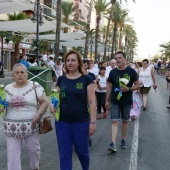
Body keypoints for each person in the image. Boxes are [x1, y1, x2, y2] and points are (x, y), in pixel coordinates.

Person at [50, 50, 96, 170]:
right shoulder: (61, 80)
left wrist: (93, 122)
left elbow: (92, 102)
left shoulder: (87, 79)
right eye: (68, 60)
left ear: (79, 62)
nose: (70, 63)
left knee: (82, 152)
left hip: (81, 122)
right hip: (62, 122)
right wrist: (52, 104)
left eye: (73, 60)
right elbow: (56, 98)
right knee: (64, 154)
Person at [0, 63, 49, 170]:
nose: (20, 75)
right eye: (17, 72)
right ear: (13, 75)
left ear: (27, 74)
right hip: (11, 127)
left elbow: (45, 102)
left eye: (22, 72)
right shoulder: (6, 88)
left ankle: (34, 167)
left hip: (31, 126)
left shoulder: (35, 86)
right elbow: (2, 104)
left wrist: (39, 113)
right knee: (12, 154)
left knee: (34, 150)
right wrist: (1, 108)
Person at [106, 51, 140, 152]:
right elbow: (109, 86)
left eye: (120, 58)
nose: (118, 60)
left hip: (126, 100)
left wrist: (129, 89)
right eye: (116, 58)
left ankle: (123, 139)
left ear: (125, 59)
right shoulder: (113, 72)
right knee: (114, 121)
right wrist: (107, 100)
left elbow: (137, 85)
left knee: (125, 121)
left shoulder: (131, 71)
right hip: (115, 100)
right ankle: (113, 143)